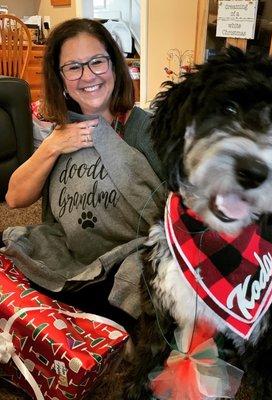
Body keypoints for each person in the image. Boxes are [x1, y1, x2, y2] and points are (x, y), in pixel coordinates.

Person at [1, 18, 165, 329]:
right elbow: (14, 197)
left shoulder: (145, 129)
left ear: (114, 66)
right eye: (73, 67)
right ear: (61, 79)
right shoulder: (59, 133)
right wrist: (53, 146)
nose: (88, 75)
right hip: (68, 257)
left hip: (125, 268)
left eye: (97, 62)